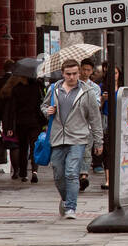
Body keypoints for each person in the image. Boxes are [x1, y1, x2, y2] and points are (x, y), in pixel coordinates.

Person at [41, 59, 103, 219]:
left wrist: (98, 141)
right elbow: (43, 106)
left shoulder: (87, 91)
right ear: (62, 73)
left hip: (78, 137)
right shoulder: (54, 89)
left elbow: (95, 118)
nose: (72, 77)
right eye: (68, 74)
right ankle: (66, 199)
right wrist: (47, 110)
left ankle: (70, 208)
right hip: (57, 137)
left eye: (75, 73)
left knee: (71, 173)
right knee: (58, 174)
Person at [0, 72, 45, 181]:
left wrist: (8, 125)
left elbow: (13, 109)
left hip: (21, 123)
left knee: (23, 148)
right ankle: (34, 171)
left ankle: (23, 173)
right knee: (34, 147)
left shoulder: (16, 89)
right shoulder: (37, 87)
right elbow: (41, 104)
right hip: (35, 122)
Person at [77, 58, 102, 192]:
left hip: (88, 125)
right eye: (84, 69)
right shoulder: (74, 84)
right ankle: (77, 174)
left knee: (87, 151)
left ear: (92, 71)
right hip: (75, 125)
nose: (85, 72)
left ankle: (84, 174)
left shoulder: (94, 87)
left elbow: (96, 105)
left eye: (88, 70)